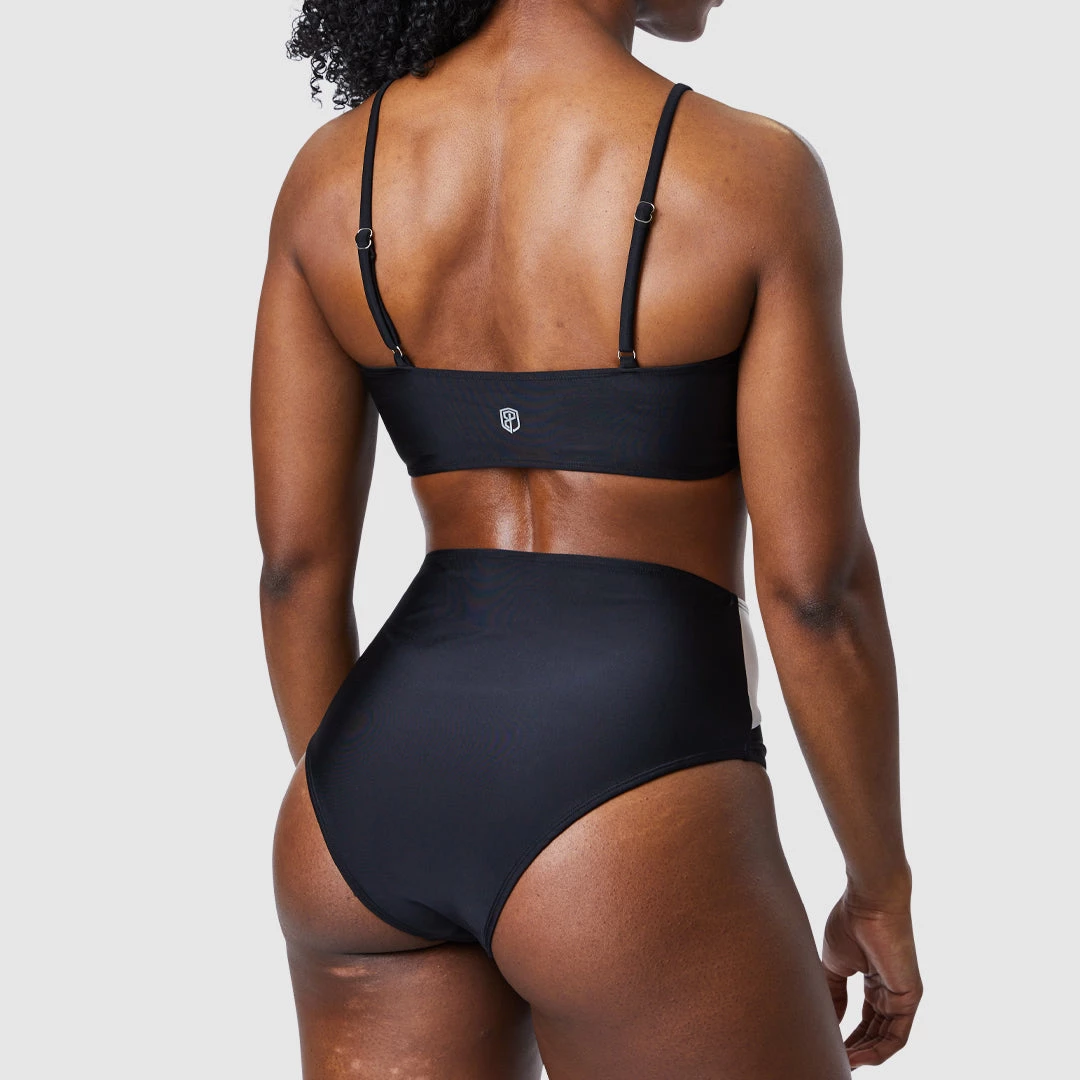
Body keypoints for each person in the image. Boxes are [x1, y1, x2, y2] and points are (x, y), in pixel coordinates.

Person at [252, 0, 922, 1075]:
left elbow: (294, 574)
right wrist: (878, 885)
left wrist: (379, 800)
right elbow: (815, 596)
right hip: (627, 791)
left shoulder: (331, 175)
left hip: (367, 795)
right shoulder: (750, 174)